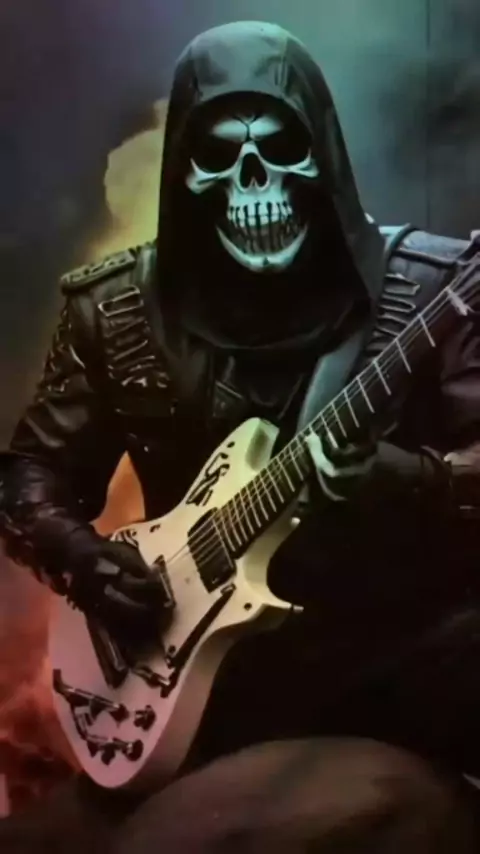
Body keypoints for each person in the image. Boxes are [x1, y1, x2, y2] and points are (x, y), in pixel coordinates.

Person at [1, 19, 480, 852]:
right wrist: (85, 563)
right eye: (218, 155)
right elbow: (27, 475)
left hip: (387, 667)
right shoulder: (112, 308)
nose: (253, 181)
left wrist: (403, 478)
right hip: (196, 688)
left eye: (280, 148)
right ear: (181, 170)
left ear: (324, 152)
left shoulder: (437, 287)